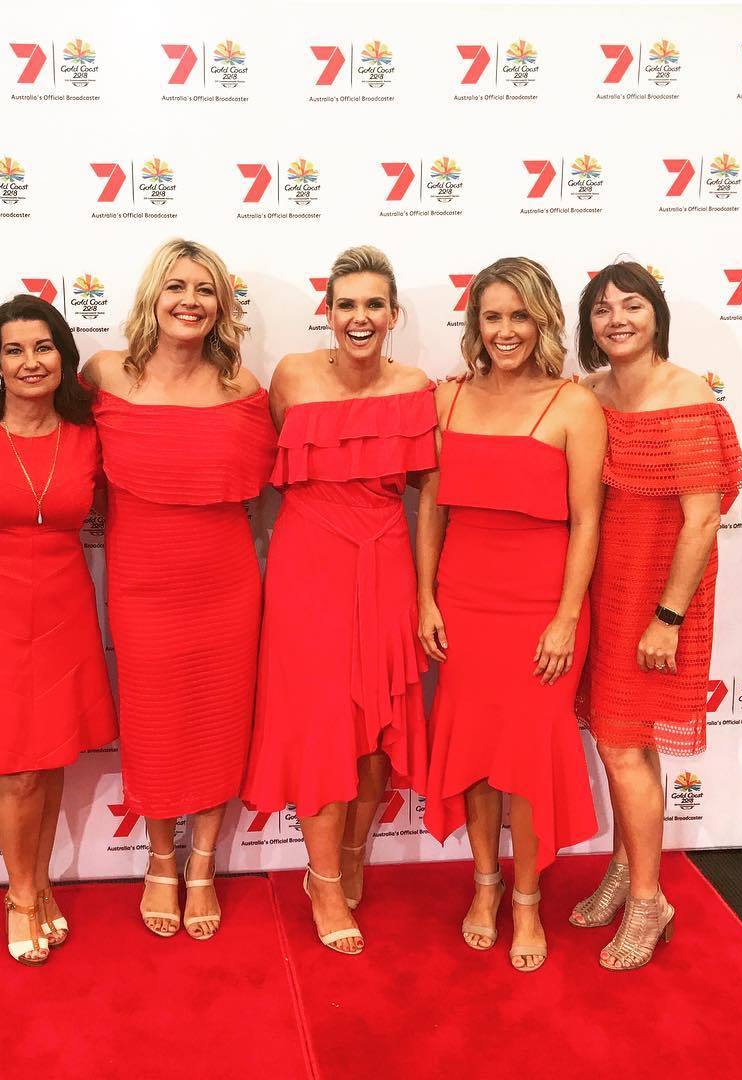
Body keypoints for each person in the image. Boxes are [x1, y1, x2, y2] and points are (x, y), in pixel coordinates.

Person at [241, 245, 436, 955]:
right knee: (321, 726)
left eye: (373, 304)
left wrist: (427, 593)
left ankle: (352, 856)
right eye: (346, 304)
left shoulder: (415, 386)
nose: (360, 317)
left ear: (393, 314)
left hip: (385, 560)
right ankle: (323, 881)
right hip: (308, 565)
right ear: (327, 311)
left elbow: (431, 497)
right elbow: (258, 465)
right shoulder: (292, 375)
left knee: (377, 727)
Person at [81, 239, 276, 940]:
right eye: (176, 287)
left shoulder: (243, 388)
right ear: (152, 297)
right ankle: (160, 858)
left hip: (225, 582)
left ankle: (202, 865)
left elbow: (261, 485)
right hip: (142, 582)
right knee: (154, 722)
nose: (189, 301)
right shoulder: (104, 373)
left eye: (204, 289)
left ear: (221, 305)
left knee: (220, 719)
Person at [420, 256, 606, 972]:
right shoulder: (448, 398)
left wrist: (566, 617)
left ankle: (526, 899)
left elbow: (587, 522)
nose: (506, 330)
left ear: (543, 321)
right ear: (475, 323)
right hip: (464, 603)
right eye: (492, 316)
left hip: (540, 609)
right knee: (472, 756)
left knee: (527, 761)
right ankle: (485, 885)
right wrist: (425, 598)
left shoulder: (573, 405)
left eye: (520, 316)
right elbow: (431, 509)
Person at [0, 296, 117, 965]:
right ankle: (20, 895)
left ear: (64, 358)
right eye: (14, 350)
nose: (30, 361)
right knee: (17, 769)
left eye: (43, 347)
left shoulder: (89, 432)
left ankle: (38, 884)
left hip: (64, 609)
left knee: (52, 755)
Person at [572, 261, 742, 970]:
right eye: (602, 308)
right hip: (603, 593)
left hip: (659, 599)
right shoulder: (590, 393)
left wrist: (667, 618)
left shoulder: (687, 396)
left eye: (632, 305)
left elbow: (702, 521)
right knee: (626, 742)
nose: (617, 319)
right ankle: (625, 867)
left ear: (657, 316)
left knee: (623, 746)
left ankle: (649, 901)